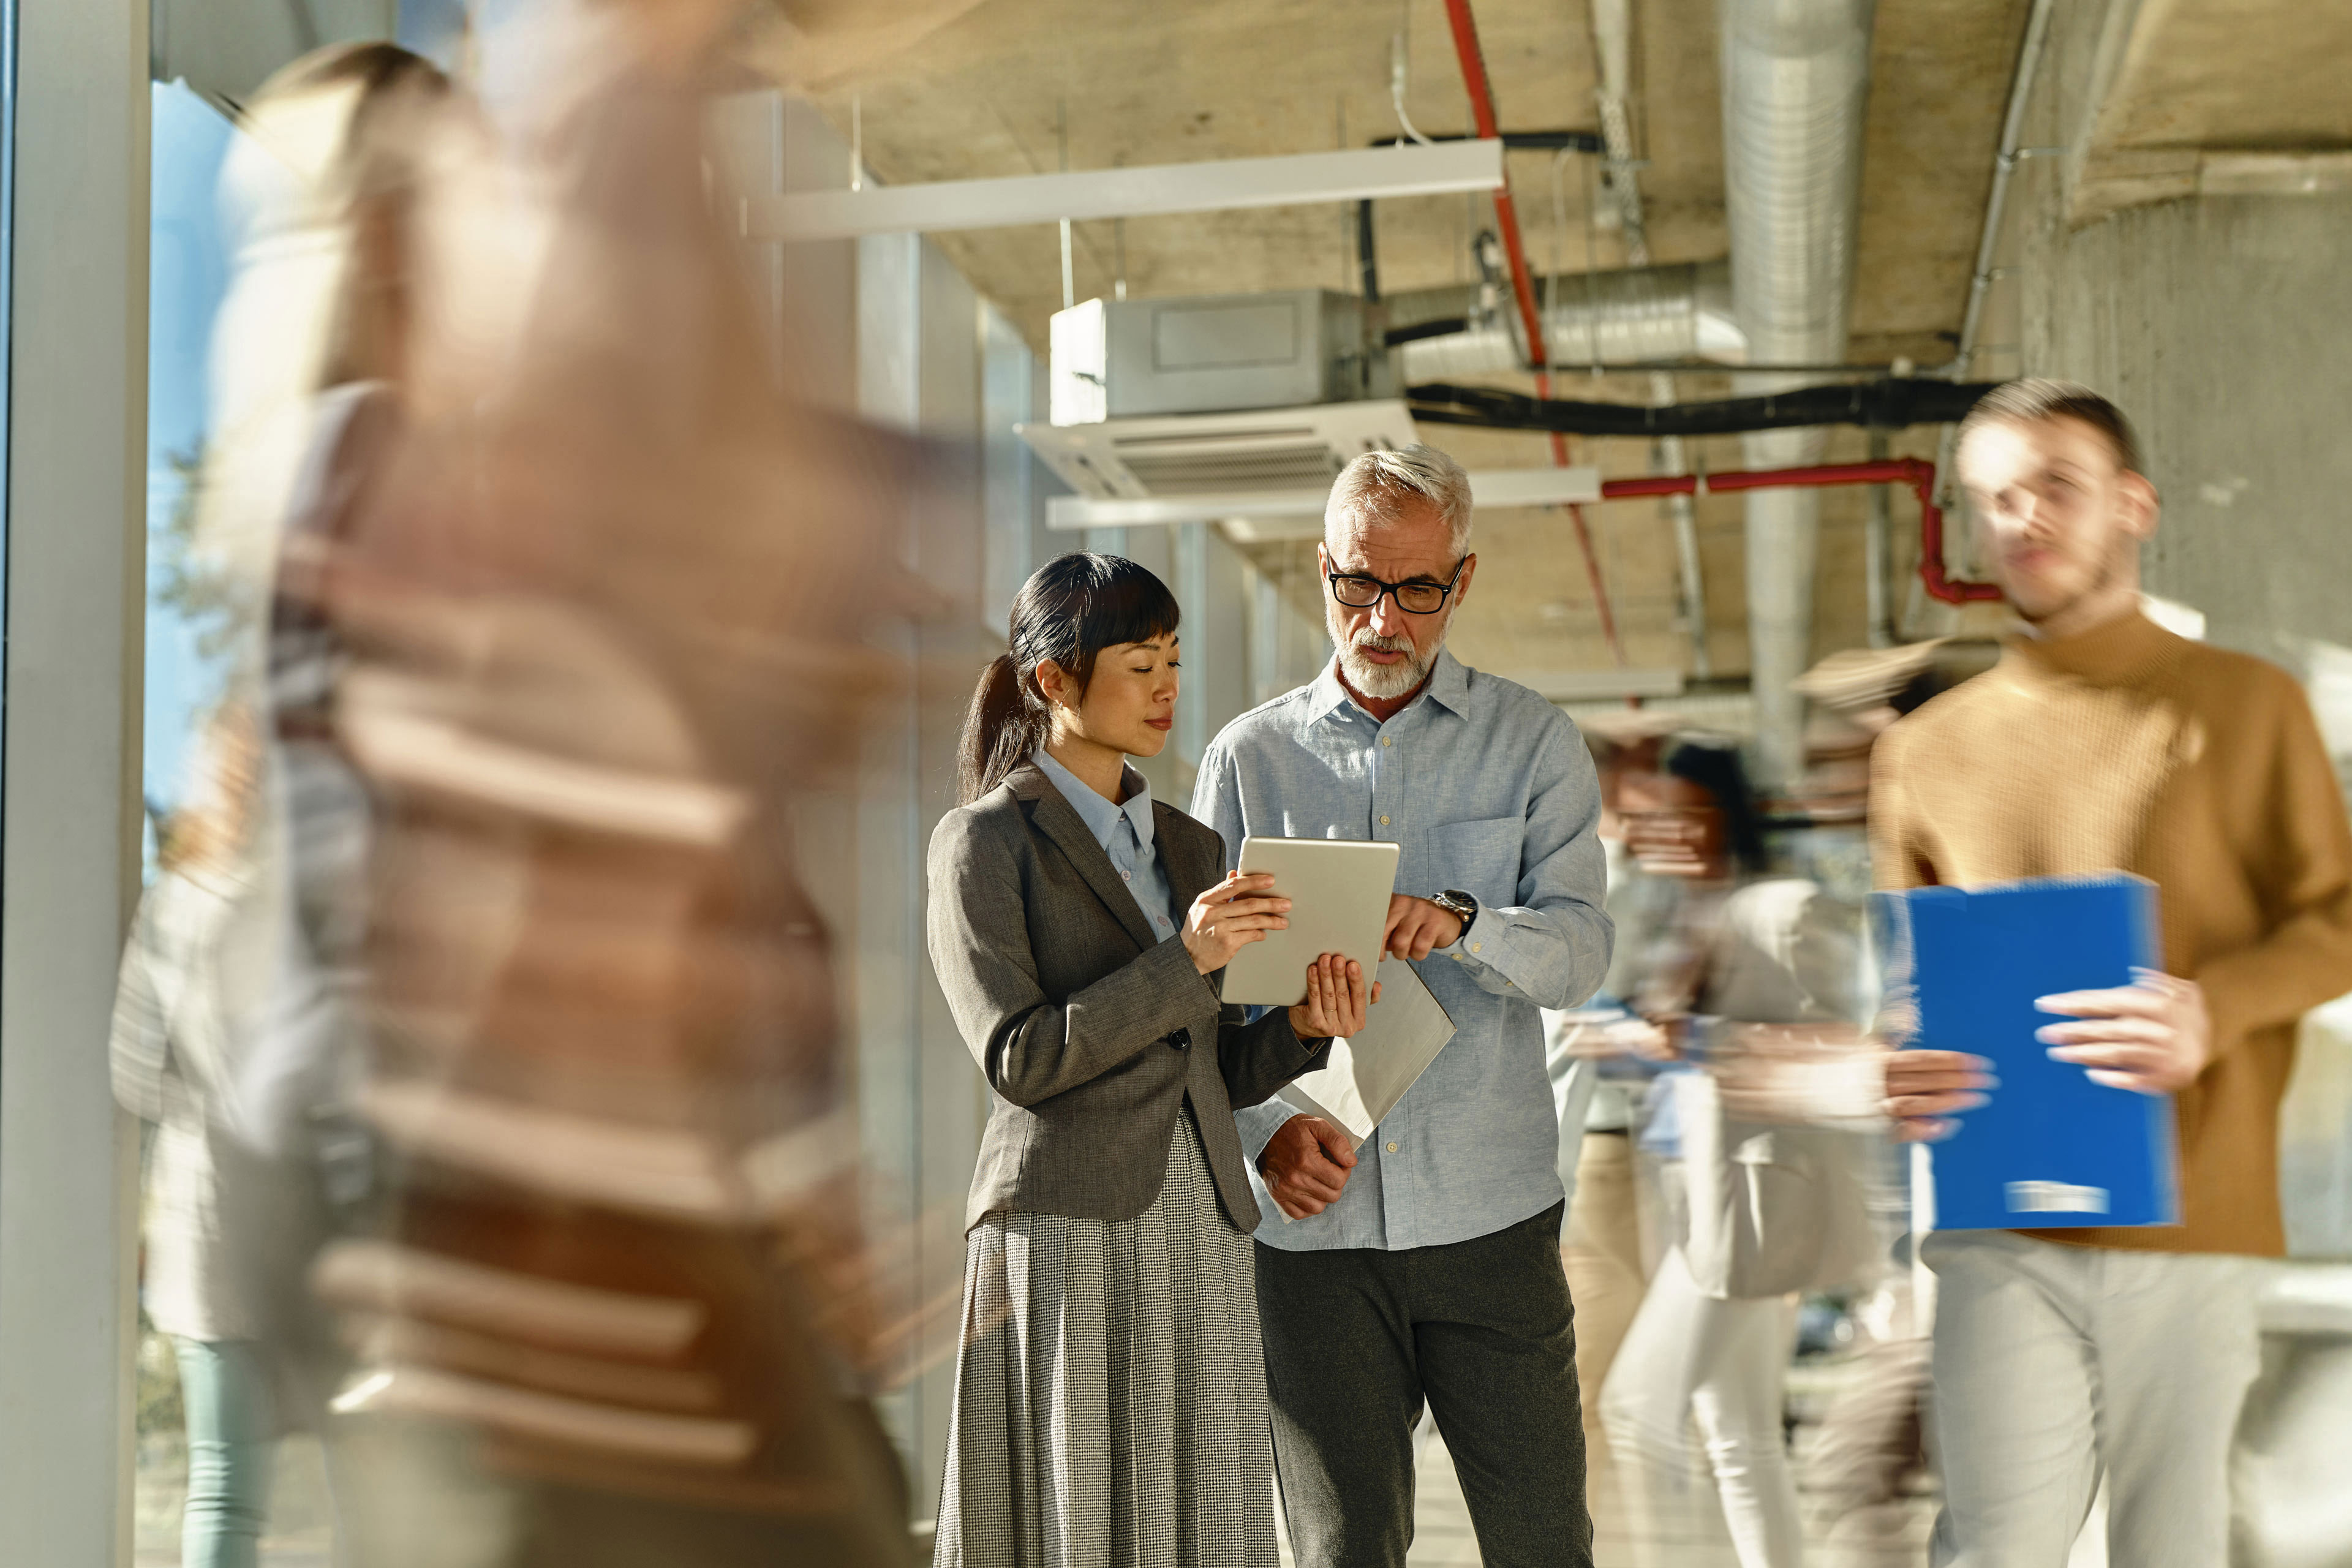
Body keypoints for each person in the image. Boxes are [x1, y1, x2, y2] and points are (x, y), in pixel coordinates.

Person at [1876, 379, 2352, 1567]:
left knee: (2173, 1550)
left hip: (2192, 1224)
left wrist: (2215, 1009)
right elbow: (1910, 984)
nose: (2024, 517)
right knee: (1994, 1547)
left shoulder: (2249, 705)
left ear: (2134, 504)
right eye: (1996, 498)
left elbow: (2336, 919)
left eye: (2057, 487)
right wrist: (1899, 1061)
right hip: (1998, 1215)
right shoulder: (1922, 751)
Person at [1191, 445, 1614, 1568]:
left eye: (1416, 589)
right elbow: (1199, 1010)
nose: (1383, 620)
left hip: (1493, 1220)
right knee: (1340, 1552)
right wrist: (1266, 1138)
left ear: (1461, 582)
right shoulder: (1245, 761)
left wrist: (1471, 927)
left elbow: (1582, 955)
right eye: (1357, 586)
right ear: (1322, 569)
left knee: (1541, 1544)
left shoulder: (1534, 746)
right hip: (1312, 1238)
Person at [927, 552, 1375, 1568]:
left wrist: (1308, 1022)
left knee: (1212, 1513)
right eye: (1140, 664)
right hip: (1064, 1215)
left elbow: (1202, 1059)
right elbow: (1021, 1056)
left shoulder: (1192, 847)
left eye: (1174, 658)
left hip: (1203, 1214)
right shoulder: (983, 843)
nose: (1169, 687)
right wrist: (1191, 957)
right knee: (1076, 1517)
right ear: (1054, 682)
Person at [1597, 736, 1878, 1568]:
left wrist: (1703, 1038)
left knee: (1638, 1405)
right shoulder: (1682, 917)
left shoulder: (1786, 907)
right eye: (1655, 820)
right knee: (1740, 1433)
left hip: (1757, 1204)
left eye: (1683, 817)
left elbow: (1841, 1045)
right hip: (1688, 1188)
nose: (1667, 836)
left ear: (1724, 816)